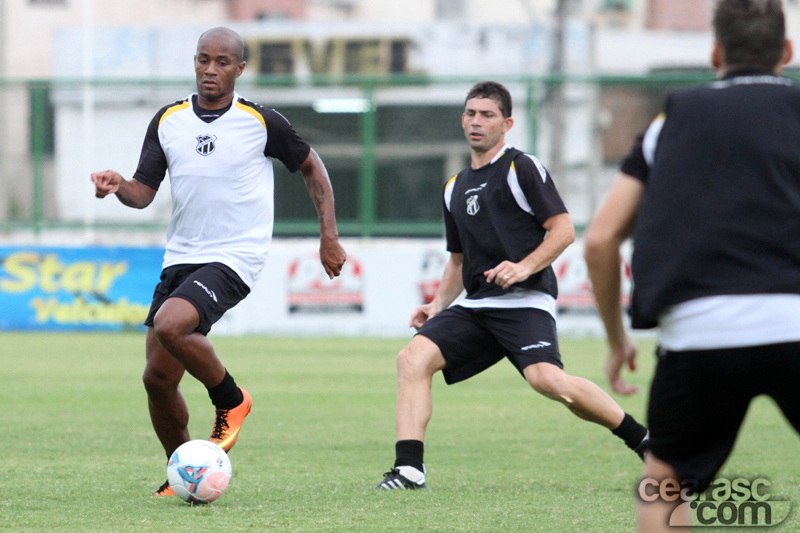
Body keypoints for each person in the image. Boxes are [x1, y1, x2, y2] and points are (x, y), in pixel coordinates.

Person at [91, 27, 347, 497]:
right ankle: (185, 474)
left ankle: (232, 400)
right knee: (157, 379)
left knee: (171, 324)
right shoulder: (168, 120)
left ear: (240, 69)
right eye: (203, 60)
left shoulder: (261, 121)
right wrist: (118, 185)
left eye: (222, 62)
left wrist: (328, 235)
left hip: (235, 255)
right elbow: (143, 194)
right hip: (181, 257)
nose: (210, 70)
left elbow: (312, 166)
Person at [584, 1, 800, 530]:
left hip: (700, 334)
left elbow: (601, 240)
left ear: (716, 52)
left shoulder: (671, 120)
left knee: (664, 481)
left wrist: (617, 340)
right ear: (787, 51)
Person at [375, 81, 648, 490]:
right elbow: (458, 260)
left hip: (525, 302)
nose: (476, 122)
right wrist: (436, 306)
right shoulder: (453, 187)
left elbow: (563, 230)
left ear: (507, 124)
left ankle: (643, 440)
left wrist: (523, 268)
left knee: (547, 381)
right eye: (471, 113)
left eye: (487, 115)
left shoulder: (522, 167)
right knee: (412, 359)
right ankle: (409, 470)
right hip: (477, 307)